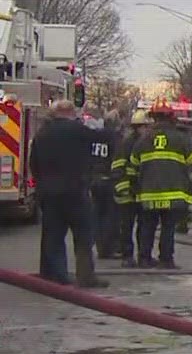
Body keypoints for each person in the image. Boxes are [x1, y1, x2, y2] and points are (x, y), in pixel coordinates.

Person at [26, 98, 105, 286]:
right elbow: (98, 150)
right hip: (76, 191)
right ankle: (86, 276)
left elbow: (33, 163)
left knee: (53, 236)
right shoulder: (81, 131)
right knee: (84, 236)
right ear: (71, 112)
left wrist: (41, 184)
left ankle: (56, 277)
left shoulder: (42, 134)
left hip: (50, 193)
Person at [126, 101, 192, 269]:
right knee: (168, 228)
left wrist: (133, 189)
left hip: (148, 193)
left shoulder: (143, 139)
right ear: (171, 118)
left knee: (147, 227)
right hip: (174, 193)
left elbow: (132, 166)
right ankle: (166, 259)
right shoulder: (180, 138)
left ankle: (144, 258)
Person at [110, 110, 146, 260]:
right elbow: (118, 166)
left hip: (141, 191)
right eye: (145, 127)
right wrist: (125, 188)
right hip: (128, 193)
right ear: (138, 127)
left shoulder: (142, 141)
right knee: (127, 226)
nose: (148, 130)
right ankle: (128, 256)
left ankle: (141, 256)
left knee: (143, 227)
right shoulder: (129, 143)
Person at [90, 109, 125, 260]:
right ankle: (109, 248)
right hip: (109, 180)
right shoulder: (115, 138)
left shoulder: (95, 136)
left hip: (94, 180)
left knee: (97, 215)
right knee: (111, 216)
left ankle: (100, 247)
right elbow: (118, 159)